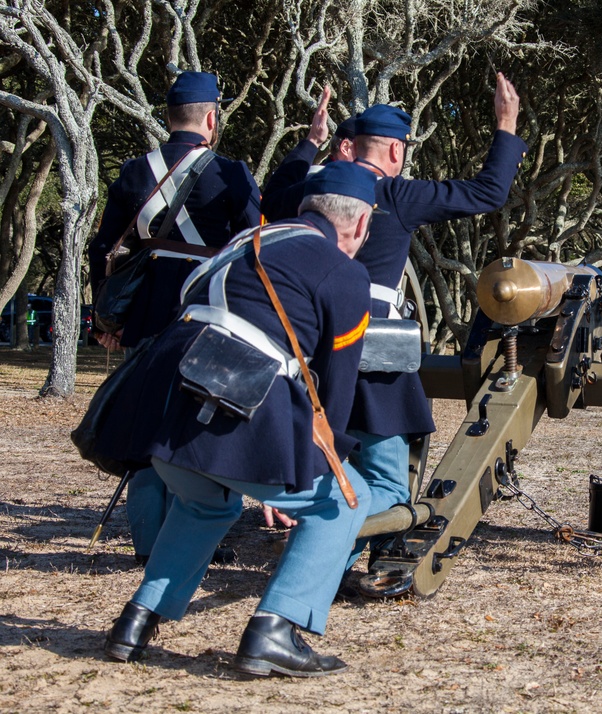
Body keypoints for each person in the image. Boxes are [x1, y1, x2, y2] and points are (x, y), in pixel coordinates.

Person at [100, 161, 376, 677]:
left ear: (304, 210)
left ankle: (137, 619)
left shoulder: (249, 238)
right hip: (237, 395)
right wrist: (317, 462)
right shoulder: (344, 272)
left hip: (161, 401)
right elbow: (335, 393)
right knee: (341, 499)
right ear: (360, 225)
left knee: (203, 505)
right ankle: (277, 627)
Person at [261, 73, 528, 570]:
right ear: (396, 152)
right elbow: (489, 192)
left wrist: (309, 143)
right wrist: (506, 124)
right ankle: (333, 553)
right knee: (385, 472)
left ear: (351, 144)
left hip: (305, 341)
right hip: (368, 344)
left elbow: (268, 197)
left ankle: (323, 526)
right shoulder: (398, 195)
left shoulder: (309, 185)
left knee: (326, 448)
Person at [87, 71, 262, 566]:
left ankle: (149, 542)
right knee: (196, 422)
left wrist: (105, 316)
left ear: (169, 118)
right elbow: (253, 242)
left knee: (147, 423)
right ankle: (194, 540)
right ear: (211, 117)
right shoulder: (230, 172)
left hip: (146, 308)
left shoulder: (136, 171)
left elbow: (104, 249)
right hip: (206, 306)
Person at [260, 84, 356, 222]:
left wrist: (313, 140)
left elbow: (272, 203)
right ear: (345, 147)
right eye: (368, 148)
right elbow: (272, 204)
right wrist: (312, 140)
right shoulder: (320, 183)